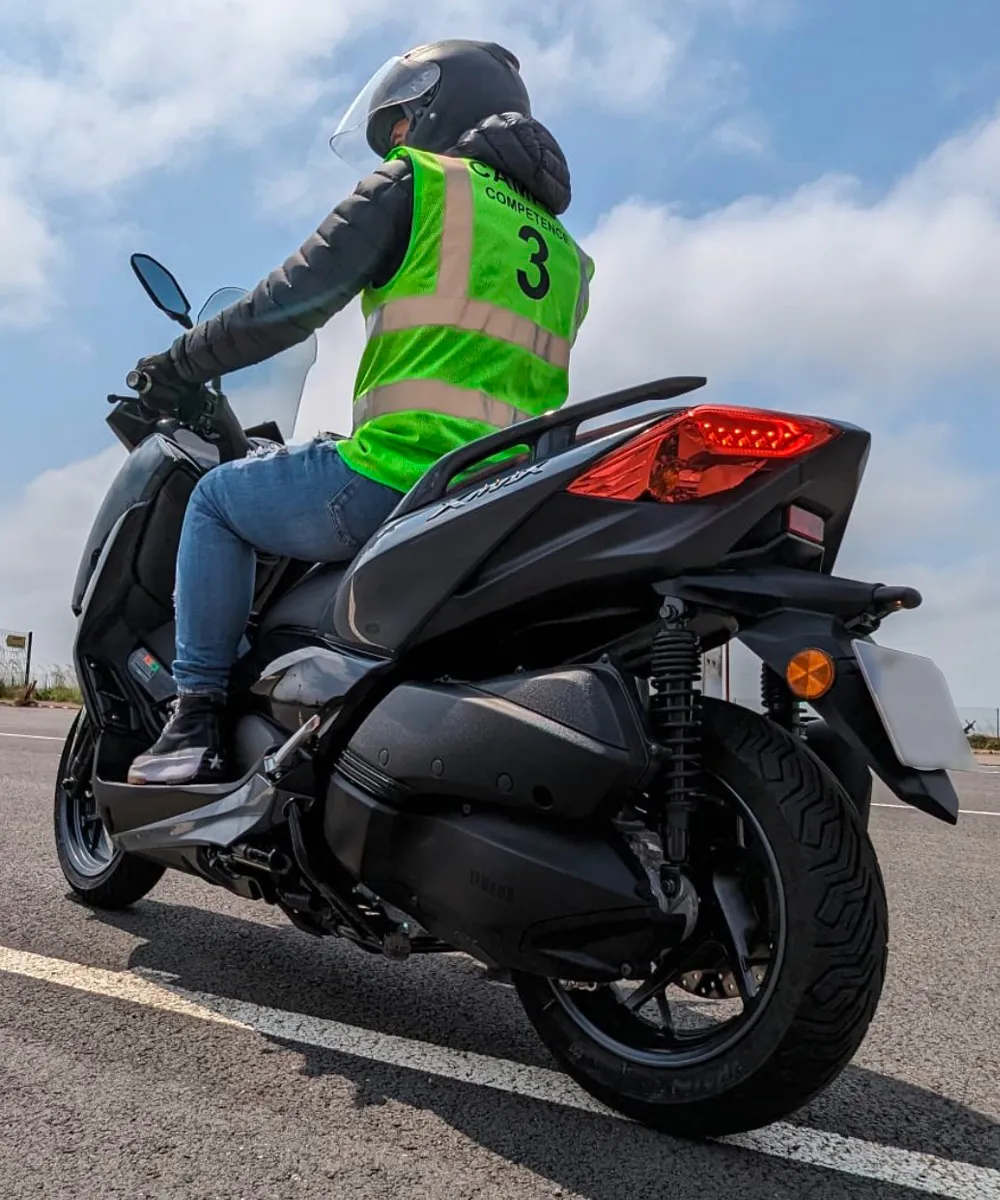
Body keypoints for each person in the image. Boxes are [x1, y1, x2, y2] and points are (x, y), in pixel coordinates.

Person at [127, 39, 595, 786]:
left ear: (442, 109)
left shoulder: (424, 185)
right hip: (507, 501)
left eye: (402, 123)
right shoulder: (568, 256)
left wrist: (177, 365)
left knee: (216, 502)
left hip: (402, 478)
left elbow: (283, 307)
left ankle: (196, 717)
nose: (398, 141)